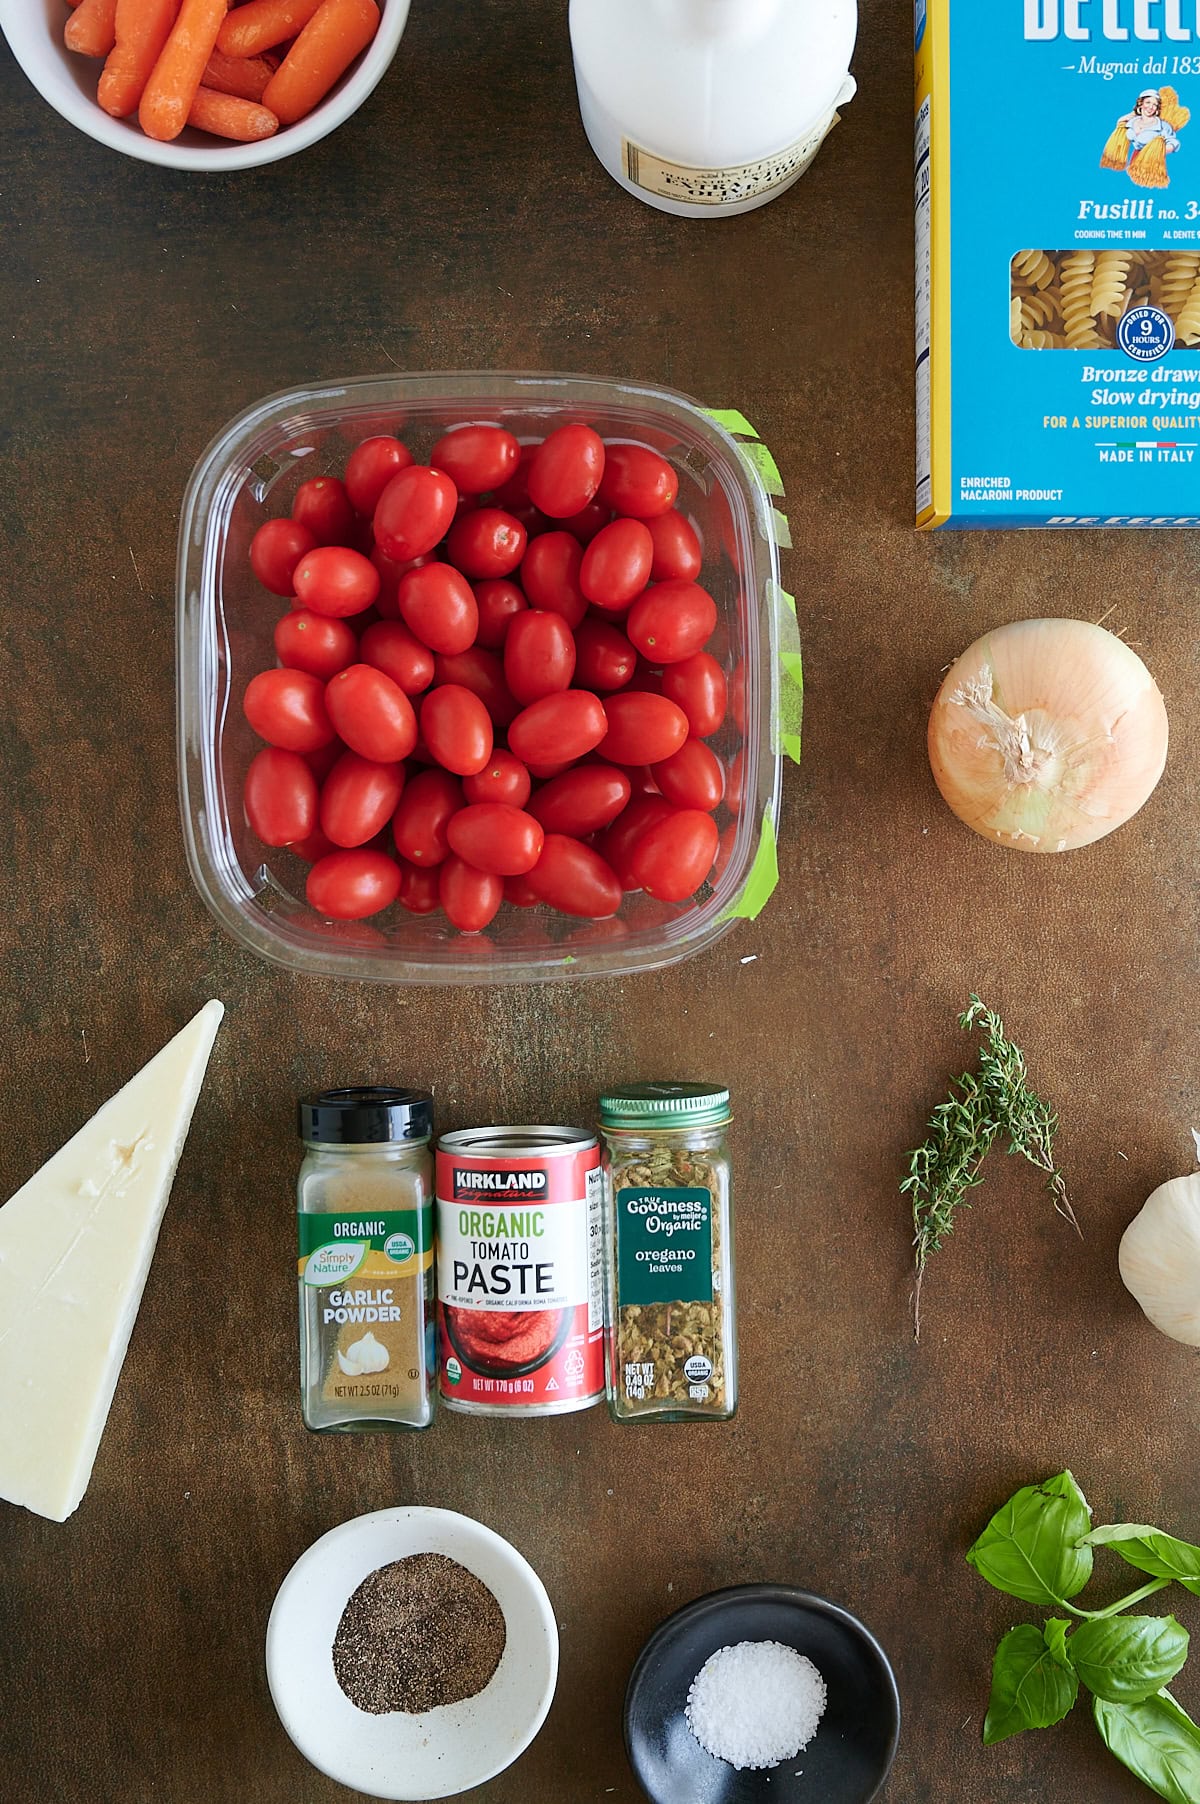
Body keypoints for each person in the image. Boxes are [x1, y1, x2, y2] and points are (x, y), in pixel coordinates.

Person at [1101, 88, 1185, 187]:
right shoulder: (1132, 122)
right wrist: (1134, 113)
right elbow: (1120, 123)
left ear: (1157, 108)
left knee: (1146, 187)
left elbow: (1173, 142)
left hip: (1151, 165)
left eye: (1155, 105)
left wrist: (1157, 150)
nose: (1151, 107)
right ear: (1141, 103)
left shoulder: (1162, 126)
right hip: (1133, 161)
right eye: (1148, 102)